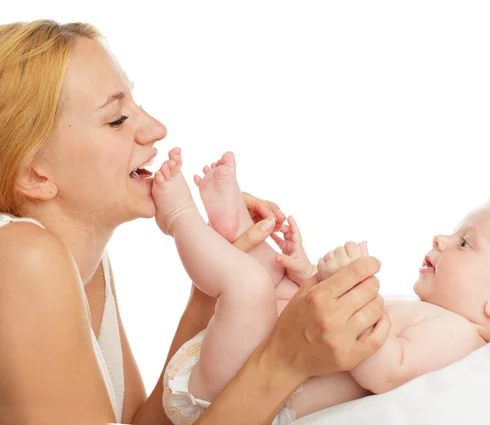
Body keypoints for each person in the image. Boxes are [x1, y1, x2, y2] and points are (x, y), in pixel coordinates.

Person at [0, 20, 391, 425]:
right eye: (117, 119)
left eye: (138, 105)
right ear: (34, 175)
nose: (156, 128)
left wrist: (213, 293)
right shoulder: (26, 259)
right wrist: (284, 360)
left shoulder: (84, 268)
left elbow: (142, 423)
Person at [154, 146, 490, 424]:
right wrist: (310, 273)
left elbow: (384, 369)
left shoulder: (460, 339)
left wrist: (340, 282)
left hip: (235, 394)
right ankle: (229, 230)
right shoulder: (432, 315)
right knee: (273, 277)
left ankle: (178, 218)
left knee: (250, 286)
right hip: (248, 365)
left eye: (465, 242)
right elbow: (325, 325)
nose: (441, 239)